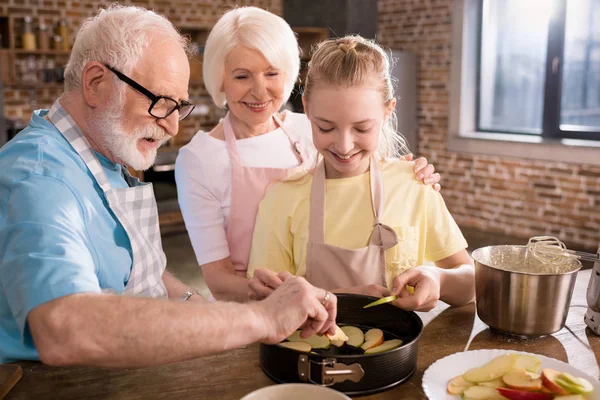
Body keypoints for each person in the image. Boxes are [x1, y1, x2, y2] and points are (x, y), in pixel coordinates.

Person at [0, 5, 337, 367]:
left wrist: (200, 308)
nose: (173, 127)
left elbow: (139, 269)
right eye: (161, 103)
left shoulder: (100, 158)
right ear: (96, 83)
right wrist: (262, 318)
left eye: (178, 106)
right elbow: (64, 327)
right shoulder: (39, 177)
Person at [175, 6, 442, 303]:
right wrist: (315, 295)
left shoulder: (309, 129)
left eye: (272, 73)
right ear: (219, 78)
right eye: (242, 76)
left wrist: (412, 174)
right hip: (247, 312)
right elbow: (220, 282)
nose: (260, 91)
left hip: (322, 303)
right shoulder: (199, 159)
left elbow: (368, 167)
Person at [247, 35, 475, 312]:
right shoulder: (281, 199)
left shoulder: (413, 185)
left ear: (388, 111)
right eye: (326, 128)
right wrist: (337, 299)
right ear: (306, 109)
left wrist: (438, 277)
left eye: (362, 129)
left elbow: (471, 283)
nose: (344, 146)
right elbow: (264, 302)